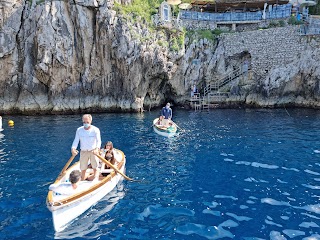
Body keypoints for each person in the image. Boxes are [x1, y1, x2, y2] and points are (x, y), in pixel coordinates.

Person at [71, 114, 101, 181]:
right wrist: (73, 148)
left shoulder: (95, 130)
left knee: (95, 167)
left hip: (93, 151)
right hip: (83, 151)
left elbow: (98, 141)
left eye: (87, 122)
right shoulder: (79, 130)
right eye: (84, 122)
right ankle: (82, 181)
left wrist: (97, 149)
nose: (86, 124)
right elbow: (76, 140)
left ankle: (95, 180)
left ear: (91, 121)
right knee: (83, 168)